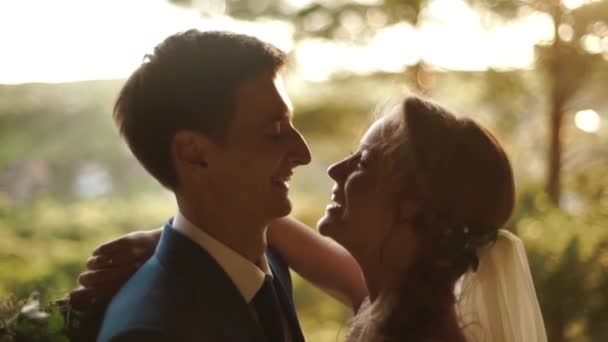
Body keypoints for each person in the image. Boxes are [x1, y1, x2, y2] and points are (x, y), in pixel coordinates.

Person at [73, 95, 547, 338]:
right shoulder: (393, 298)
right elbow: (267, 227)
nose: (334, 170)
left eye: (362, 165)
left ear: (414, 212)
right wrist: (168, 240)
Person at [85, 28, 326, 341]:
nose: (302, 154)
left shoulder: (268, 265)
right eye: (275, 129)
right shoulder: (147, 331)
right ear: (194, 153)